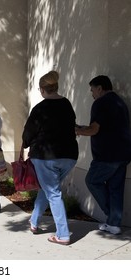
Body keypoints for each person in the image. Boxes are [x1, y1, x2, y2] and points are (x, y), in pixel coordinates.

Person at [22, 70, 78, 245]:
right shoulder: (67, 104)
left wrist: (24, 145)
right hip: (69, 156)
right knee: (48, 189)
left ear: (42, 89)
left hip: (45, 156)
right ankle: (34, 222)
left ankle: (63, 234)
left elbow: (28, 133)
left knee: (53, 192)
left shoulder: (40, 108)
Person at [75, 75, 131, 235]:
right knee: (115, 188)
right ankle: (114, 225)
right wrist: (82, 127)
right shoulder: (120, 102)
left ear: (100, 88)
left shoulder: (100, 103)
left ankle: (112, 215)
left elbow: (94, 129)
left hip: (107, 156)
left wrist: (77, 131)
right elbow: (104, 127)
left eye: (92, 90)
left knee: (92, 180)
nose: (91, 94)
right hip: (123, 154)